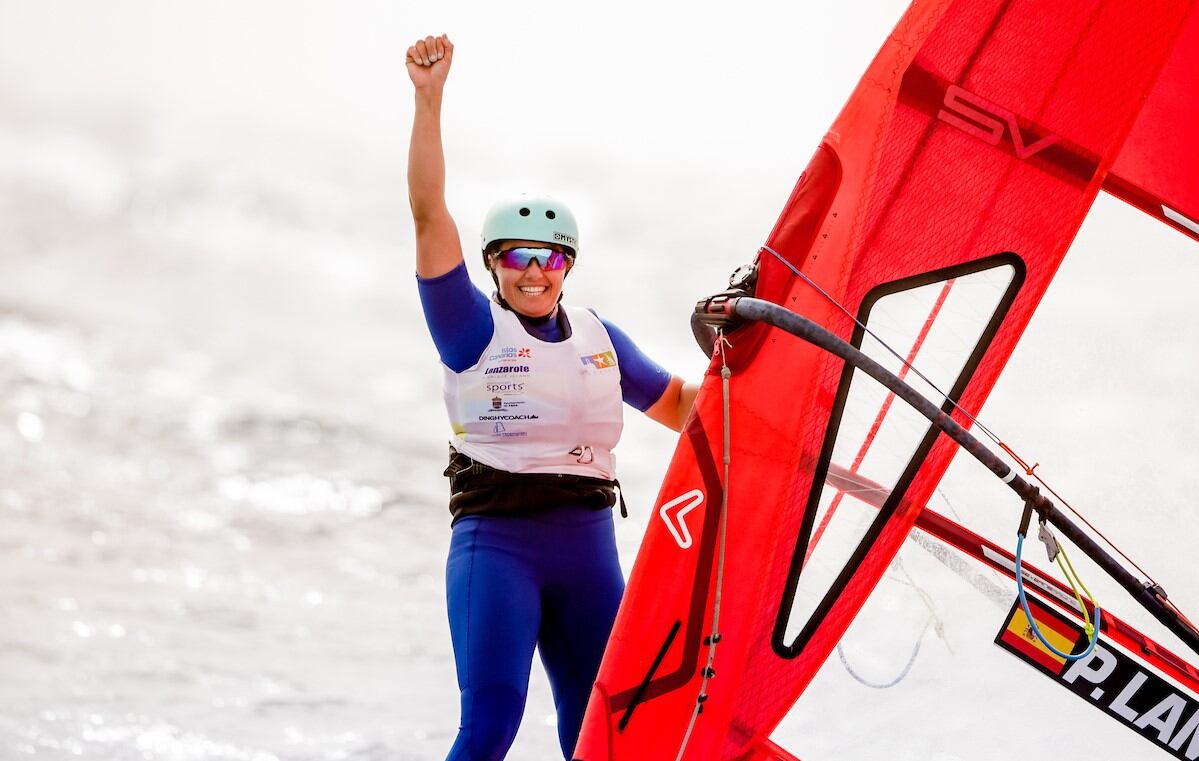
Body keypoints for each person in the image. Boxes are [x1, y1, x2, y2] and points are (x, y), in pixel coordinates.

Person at [405, 34, 698, 761]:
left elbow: (684, 408)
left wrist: (768, 355)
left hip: (587, 552)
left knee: (601, 737)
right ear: (493, 264)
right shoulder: (471, 326)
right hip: (498, 549)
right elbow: (426, 214)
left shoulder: (601, 338)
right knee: (490, 726)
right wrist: (428, 101)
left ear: (567, 264)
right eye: (516, 257)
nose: (533, 273)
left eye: (548, 259)